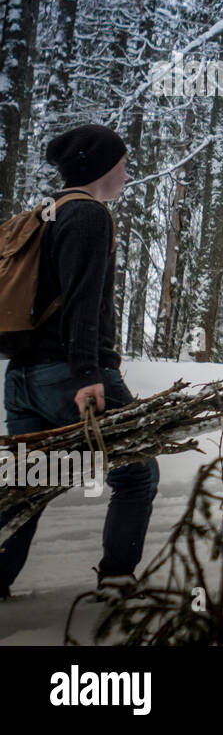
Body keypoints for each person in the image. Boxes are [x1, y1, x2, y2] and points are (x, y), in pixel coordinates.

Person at [0, 124, 158, 601]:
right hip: (69, 374)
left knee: (30, 482)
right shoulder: (89, 215)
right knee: (135, 470)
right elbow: (82, 303)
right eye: (123, 164)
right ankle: (116, 579)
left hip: (22, 377)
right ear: (101, 168)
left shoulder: (46, 214)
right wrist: (89, 375)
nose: (127, 173)